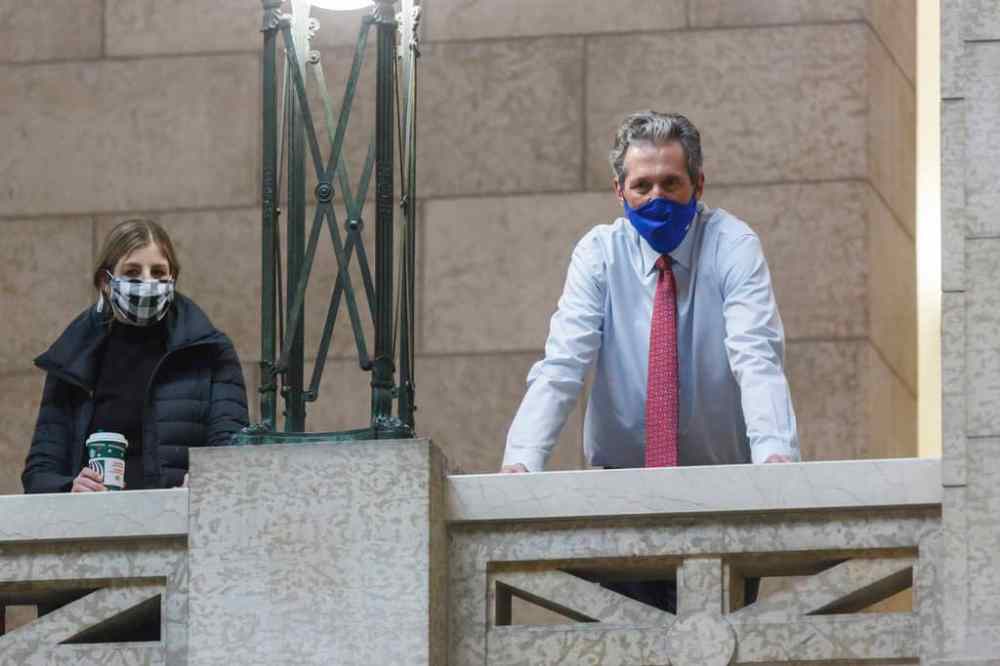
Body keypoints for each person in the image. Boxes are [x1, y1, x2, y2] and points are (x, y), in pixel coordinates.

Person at [499, 111, 800, 611]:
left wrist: (775, 457)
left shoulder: (733, 246)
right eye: (642, 185)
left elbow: (756, 355)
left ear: (698, 185)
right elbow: (563, 364)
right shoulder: (599, 254)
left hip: (721, 494)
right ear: (619, 191)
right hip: (621, 493)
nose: (656, 198)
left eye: (670, 183)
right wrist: (521, 462)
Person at [22, 219, 249, 493]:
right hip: (97, 524)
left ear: (172, 278)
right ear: (106, 282)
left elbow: (232, 453)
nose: (147, 282)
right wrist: (70, 486)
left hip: (182, 522)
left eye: (158, 272)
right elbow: (39, 473)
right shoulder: (73, 358)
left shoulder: (210, 350)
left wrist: (209, 479)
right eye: (132, 272)